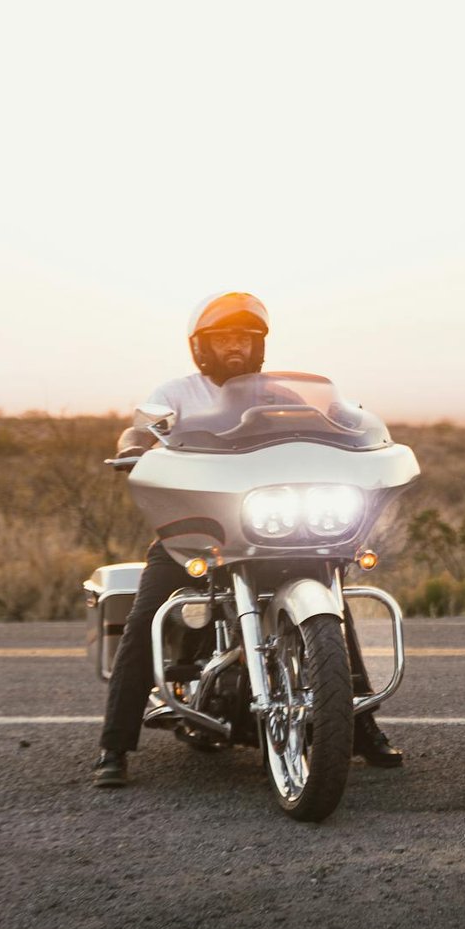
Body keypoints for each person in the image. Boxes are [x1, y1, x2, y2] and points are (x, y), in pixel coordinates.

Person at [91, 292, 403, 788]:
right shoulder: (176, 392)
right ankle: (114, 745)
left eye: (244, 338)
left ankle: (362, 728)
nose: (234, 347)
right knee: (145, 616)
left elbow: (332, 426)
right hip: (199, 534)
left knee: (335, 615)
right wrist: (134, 446)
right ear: (201, 347)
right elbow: (141, 430)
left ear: (258, 345)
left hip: (275, 528)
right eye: (223, 339)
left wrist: (358, 441)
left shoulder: (277, 392)